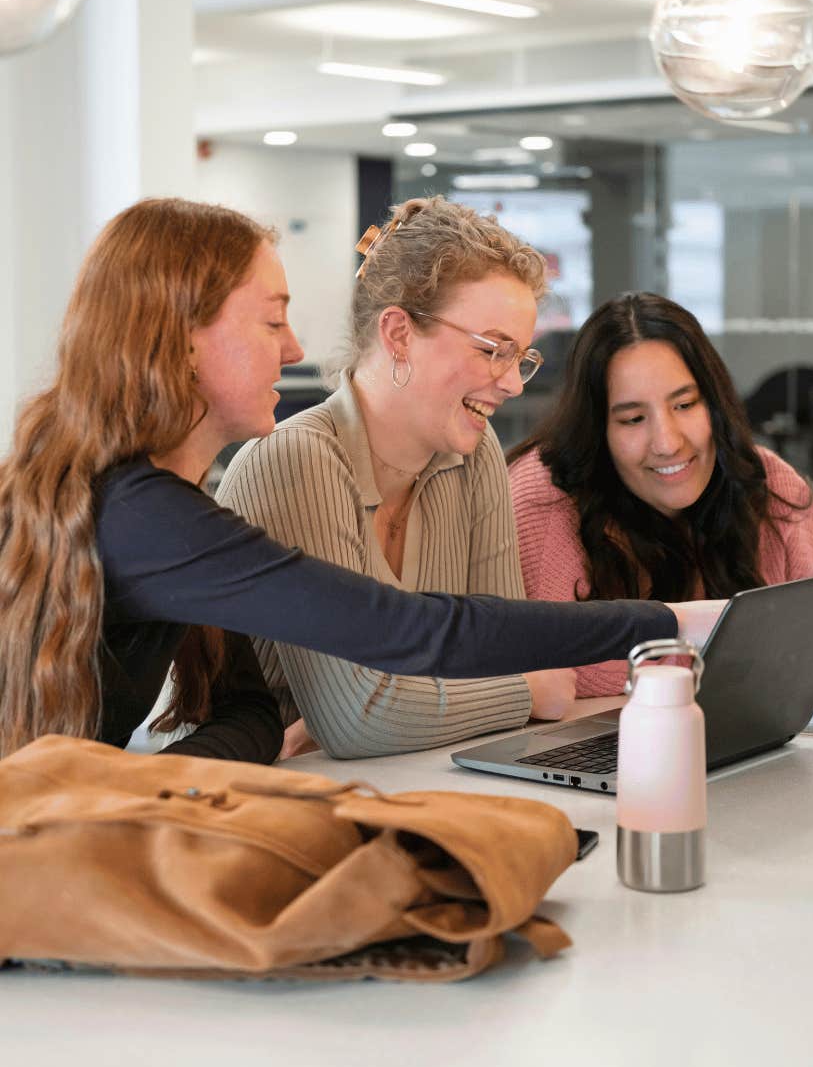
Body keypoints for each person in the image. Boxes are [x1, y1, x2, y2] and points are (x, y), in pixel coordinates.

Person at [0, 199, 712, 765]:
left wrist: (137, 782)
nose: (294, 349)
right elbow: (402, 647)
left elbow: (250, 715)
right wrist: (667, 623)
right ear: (183, 341)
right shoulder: (148, 515)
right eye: (272, 321)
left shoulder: (154, 506)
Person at [219, 196, 580, 759]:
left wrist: (404, 702)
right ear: (399, 333)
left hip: (401, 775)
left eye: (521, 358)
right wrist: (526, 692)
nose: (513, 384)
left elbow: (506, 652)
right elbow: (360, 719)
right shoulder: (296, 460)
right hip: (245, 790)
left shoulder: (474, 453)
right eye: (493, 350)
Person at [508, 293, 813, 698]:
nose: (667, 443)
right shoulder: (543, 498)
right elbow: (557, 670)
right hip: (608, 735)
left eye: (685, 405)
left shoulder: (765, 480)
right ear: (597, 430)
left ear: (715, 403)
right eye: (633, 419)